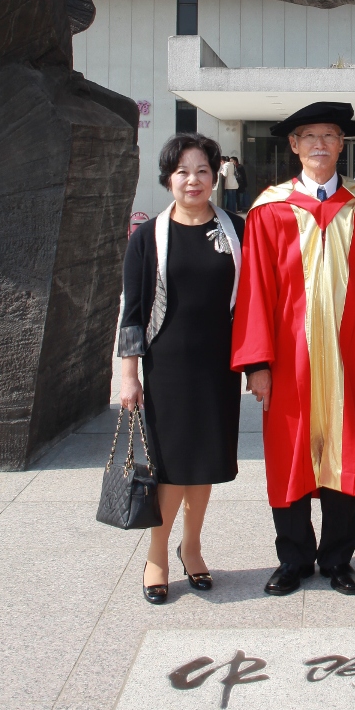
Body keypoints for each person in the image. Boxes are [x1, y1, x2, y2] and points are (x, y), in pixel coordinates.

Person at [232, 102, 355, 596]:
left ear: (342, 145)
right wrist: (256, 364)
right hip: (288, 364)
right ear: (293, 145)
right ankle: (292, 559)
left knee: (346, 451)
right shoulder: (268, 211)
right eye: (308, 136)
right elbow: (254, 293)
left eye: (329, 136)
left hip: (350, 359)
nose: (318, 144)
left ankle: (338, 559)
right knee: (289, 454)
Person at [118, 133, 243, 604]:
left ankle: (191, 547)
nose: (193, 180)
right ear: (168, 178)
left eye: (202, 171)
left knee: (204, 463)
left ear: (216, 177)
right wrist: (128, 374)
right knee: (169, 468)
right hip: (166, 366)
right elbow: (132, 312)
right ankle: (157, 554)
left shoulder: (237, 230)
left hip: (218, 366)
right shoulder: (148, 236)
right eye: (182, 172)